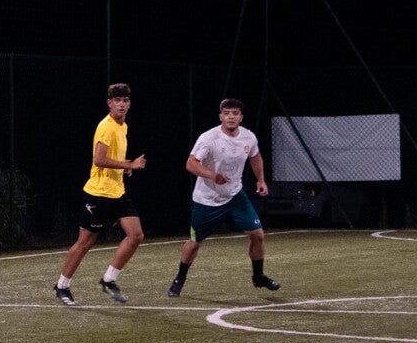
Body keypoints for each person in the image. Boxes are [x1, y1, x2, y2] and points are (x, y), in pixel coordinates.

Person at [167, 99, 280, 297]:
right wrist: (213, 175)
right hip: (207, 200)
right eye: (226, 113)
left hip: (235, 196)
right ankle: (179, 279)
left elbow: (255, 156)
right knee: (195, 243)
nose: (231, 117)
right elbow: (191, 164)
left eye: (235, 113)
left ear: (241, 117)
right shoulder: (209, 138)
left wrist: (261, 180)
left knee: (258, 235)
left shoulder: (248, 137)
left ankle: (258, 277)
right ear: (220, 116)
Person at [55, 83, 147, 305]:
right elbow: (99, 159)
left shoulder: (123, 126)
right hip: (98, 193)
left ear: (129, 104)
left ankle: (108, 280)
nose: (122, 104)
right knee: (85, 242)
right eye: (117, 100)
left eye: (125, 100)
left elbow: (112, 159)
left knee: (136, 235)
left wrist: (123, 167)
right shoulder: (106, 127)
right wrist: (130, 165)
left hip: (117, 192)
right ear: (109, 103)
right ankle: (62, 286)